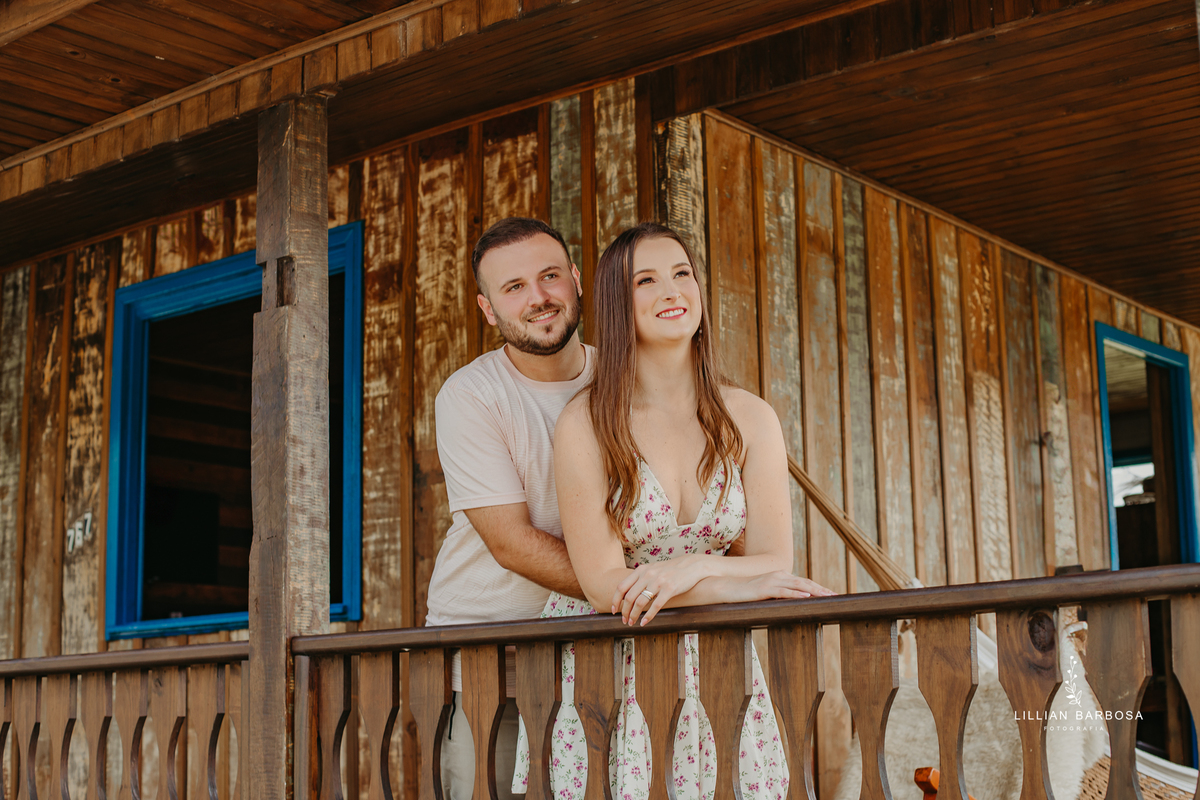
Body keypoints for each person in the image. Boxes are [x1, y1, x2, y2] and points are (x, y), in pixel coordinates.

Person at [511, 222, 836, 800]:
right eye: (647, 280)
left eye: (682, 273)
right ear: (616, 302)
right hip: (607, 662)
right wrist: (737, 585)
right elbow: (606, 587)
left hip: (716, 658)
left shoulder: (750, 417)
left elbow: (774, 558)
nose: (672, 290)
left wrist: (690, 570)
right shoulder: (586, 423)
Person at [424, 217, 593, 800]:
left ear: (576, 279)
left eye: (549, 276)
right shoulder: (471, 395)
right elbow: (512, 544)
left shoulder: (625, 379)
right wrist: (650, 588)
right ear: (488, 309)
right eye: (513, 287)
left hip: (602, 647)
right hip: (491, 657)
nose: (538, 297)